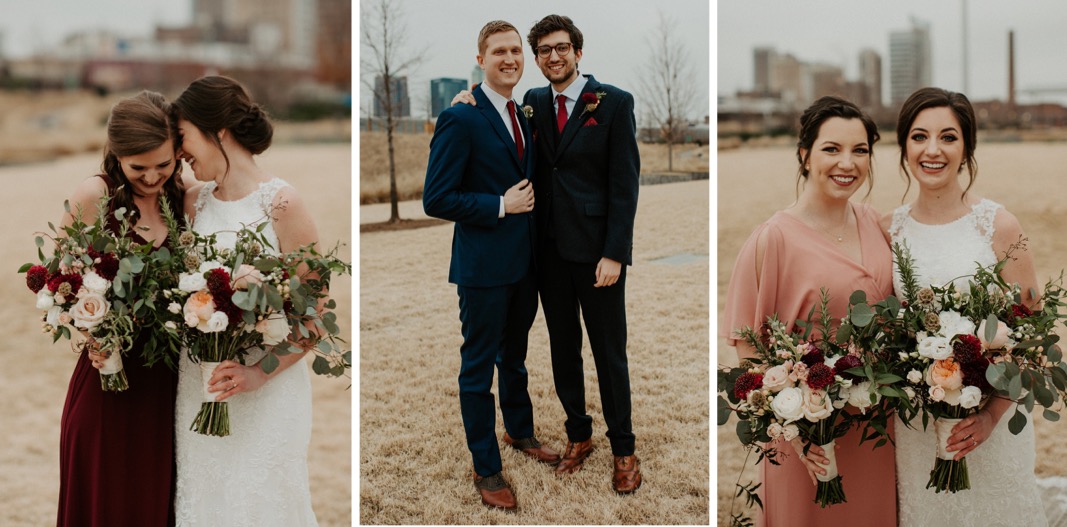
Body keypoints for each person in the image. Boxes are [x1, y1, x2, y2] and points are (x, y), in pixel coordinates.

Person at [721, 96, 897, 526]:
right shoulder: (772, 239)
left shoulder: (876, 223)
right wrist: (798, 432)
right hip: (809, 439)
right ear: (804, 155)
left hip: (876, 429)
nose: (848, 163)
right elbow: (749, 348)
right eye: (832, 149)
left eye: (860, 150)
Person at [885, 87, 1046, 527]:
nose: (932, 150)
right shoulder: (888, 230)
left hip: (990, 421)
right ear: (903, 146)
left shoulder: (999, 225)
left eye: (948, 137)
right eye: (919, 137)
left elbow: (1033, 335)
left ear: (967, 147)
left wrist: (991, 417)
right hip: (918, 426)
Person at [423, 20, 559, 511]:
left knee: (515, 356)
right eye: (499, 51)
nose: (510, 59)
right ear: (480, 59)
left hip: (524, 265)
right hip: (482, 268)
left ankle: (520, 432)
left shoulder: (524, 113)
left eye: (516, 51)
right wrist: (500, 205)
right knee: (477, 368)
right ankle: (486, 466)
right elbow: (436, 198)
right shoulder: (460, 117)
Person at [171, 75, 320, 525]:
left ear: (217, 130)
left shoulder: (282, 203)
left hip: (267, 397)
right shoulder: (192, 202)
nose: (179, 152)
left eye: (182, 137)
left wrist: (258, 373)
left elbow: (316, 317)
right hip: (199, 388)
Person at [523, 14, 642, 493]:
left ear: (577, 51)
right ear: (537, 58)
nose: (554, 56)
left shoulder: (613, 103)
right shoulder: (531, 102)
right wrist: (465, 96)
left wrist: (615, 253)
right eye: (545, 50)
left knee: (609, 354)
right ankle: (578, 436)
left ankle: (624, 450)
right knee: (562, 350)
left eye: (562, 47)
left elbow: (624, 185)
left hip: (597, 256)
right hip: (547, 253)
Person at [58, 90, 185, 526]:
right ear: (117, 154)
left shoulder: (185, 197)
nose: (152, 177)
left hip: (169, 384)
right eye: (139, 167)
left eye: (163, 164)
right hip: (108, 381)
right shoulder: (96, 194)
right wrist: (94, 331)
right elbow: (61, 283)